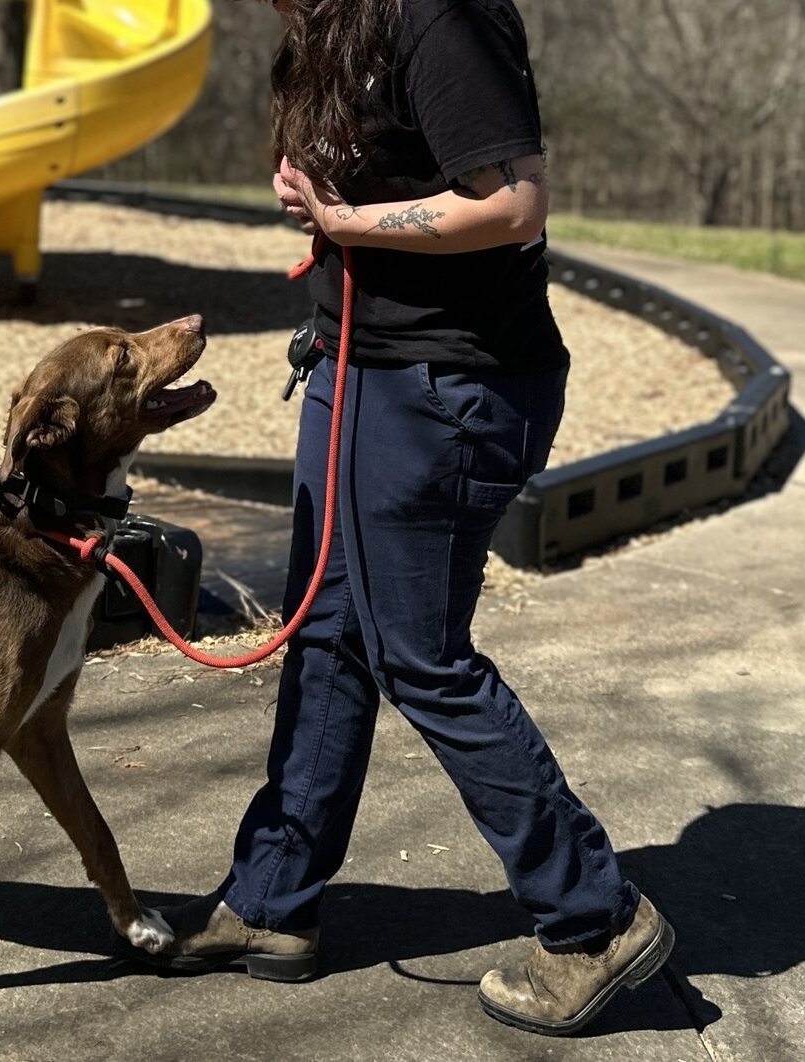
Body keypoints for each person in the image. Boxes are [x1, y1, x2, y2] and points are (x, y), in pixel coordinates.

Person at [149, 0, 674, 1035]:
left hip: (448, 388)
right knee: (328, 636)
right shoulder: (337, 20)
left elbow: (512, 203)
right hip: (358, 365)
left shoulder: (442, 16)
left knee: (420, 657)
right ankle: (273, 902)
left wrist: (348, 222)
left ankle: (594, 920)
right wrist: (317, 198)